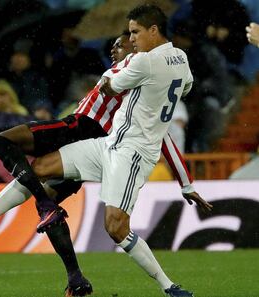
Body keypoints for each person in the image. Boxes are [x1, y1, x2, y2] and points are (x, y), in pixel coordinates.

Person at [0, 28, 210, 296]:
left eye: (122, 43)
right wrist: (185, 183)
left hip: (79, 128)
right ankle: (75, 277)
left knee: (1, 142)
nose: (114, 48)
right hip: (94, 143)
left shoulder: (137, 70)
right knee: (40, 183)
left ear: (137, 47)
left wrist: (185, 182)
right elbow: (161, 130)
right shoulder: (138, 73)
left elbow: (161, 133)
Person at [29, 4, 213, 296]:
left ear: (154, 30)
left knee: (115, 227)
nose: (132, 39)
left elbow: (110, 88)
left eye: (135, 32)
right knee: (40, 167)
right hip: (113, 143)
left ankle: (169, 287)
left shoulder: (144, 62)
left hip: (132, 150)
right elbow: (186, 87)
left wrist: (108, 79)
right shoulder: (181, 59)